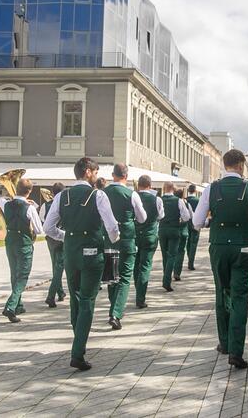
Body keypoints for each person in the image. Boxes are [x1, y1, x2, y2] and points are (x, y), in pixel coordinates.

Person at [193, 150, 248, 369]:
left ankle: (224, 343)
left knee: (222, 292)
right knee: (240, 296)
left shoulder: (212, 188)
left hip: (219, 247)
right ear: (241, 165)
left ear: (224, 164)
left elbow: (197, 221)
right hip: (244, 248)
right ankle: (236, 351)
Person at [45, 157, 120, 371]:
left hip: (71, 252)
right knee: (87, 299)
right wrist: (114, 239)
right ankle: (77, 352)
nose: (96, 175)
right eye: (95, 171)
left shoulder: (61, 196)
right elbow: (112, 226)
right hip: (92, 252)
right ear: (87, 172)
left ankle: (78, 339)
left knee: (75, 297)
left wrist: (67, 236)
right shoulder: (98, 195)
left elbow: (48, 228)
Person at [102, 164, 147, 330]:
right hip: (127, 238)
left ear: (112, 175)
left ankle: (114, 308)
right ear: (126, 176)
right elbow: (142, 218)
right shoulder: (131, 193)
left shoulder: (102, 193)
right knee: (125, 276)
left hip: (107, 238)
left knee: (111, 276)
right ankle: (116, 312)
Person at [0, 178, 44, 323]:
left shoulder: (6, 204)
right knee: (23, 276)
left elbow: (2, 200)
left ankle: (18, 305)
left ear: (16, 189)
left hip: (10, 241)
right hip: (24, 243)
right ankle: (11, 306)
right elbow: (39, 230)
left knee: (14, 273)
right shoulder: (29, 207)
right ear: (29, 191)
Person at [134, 175, 164, 309]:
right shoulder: (156, 199)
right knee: (145, 266)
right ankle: (140, 297)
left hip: (135, 235)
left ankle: (137, 288)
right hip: (150, 235)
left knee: (135, 264)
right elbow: (161, 216)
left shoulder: (133, 196)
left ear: (138, 185)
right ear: (150, 185)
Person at [159, 182, 191, 292]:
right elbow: (186, 217)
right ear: (173, 189)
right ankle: (167, 280)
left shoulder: (159, 199)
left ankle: (165, 276)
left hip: (162, 229)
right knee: (172, 255)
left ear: (164, 188)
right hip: (174, 229)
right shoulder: (179, 200)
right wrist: (179, 220)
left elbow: (158, 215)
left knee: (164, 255)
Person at [40, 183, 67, 308]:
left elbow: (42, 220)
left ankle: (60, 292)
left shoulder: (45, 205)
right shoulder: (65, 203)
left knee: (55, 265)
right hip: (62, 237)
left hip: (50, 238)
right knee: (59, 267)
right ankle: (51, 296)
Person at [173, 188, 191, 281]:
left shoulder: (171, 202)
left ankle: (170, 270)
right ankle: (177, 272)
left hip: (173, 230)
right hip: (183, 231)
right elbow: (189, 216)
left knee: (171, 252)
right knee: (180, 252)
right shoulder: (187, 204)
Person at [185, 184, 201, 270]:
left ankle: (189, 257)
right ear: (195, 191)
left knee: (188, 243)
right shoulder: (198, 200)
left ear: (188, 191)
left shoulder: (185, 200)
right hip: (196, 223)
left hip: (186, 223)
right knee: (194, 243)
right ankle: (191, 262)